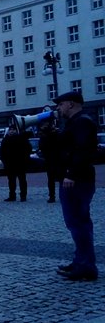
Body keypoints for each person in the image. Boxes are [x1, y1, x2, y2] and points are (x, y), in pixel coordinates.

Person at [52, 91, 98, 282]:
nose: (58, 108)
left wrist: (71, 173)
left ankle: (85, 266)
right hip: (75, 178)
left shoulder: (82, 122)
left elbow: (83, 150)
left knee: (78, 223)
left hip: (76, 180)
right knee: (78, 222)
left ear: (70, 104)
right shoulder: (75, 122)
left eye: (61, 104)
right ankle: (81, 261)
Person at [0, 125, 31, 202]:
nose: (12, 131)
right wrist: (4, 161)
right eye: (10, 129)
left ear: (16, 131)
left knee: (22, 180)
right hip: (10, 164)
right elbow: (2, 151)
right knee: (11, 181)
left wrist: (25, 159)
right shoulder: (6, 139)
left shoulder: (21, 138)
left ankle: (23, 196)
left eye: (13, 129)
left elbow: (28, 149)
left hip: (20, 163)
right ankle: (12, 196)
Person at [38, 120, 63, 203]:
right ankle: (54, 195)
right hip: (52, 159)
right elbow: (42, 146)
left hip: (55, 159)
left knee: (56, 179)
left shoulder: (55, 134)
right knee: (53, 179)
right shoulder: (47, 135)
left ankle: (53, 196)